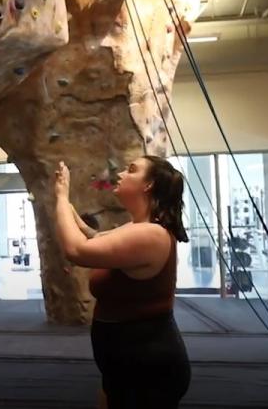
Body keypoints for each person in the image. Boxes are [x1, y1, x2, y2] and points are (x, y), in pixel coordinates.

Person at [54, 156, 191, 409]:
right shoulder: (137, 227)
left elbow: (76, 250)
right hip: (125, 363)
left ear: (148, 185)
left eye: (131, 170)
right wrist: (71, 210)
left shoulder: (151, 234)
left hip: (148, 367)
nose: (120, 175)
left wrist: (61, 197)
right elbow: (95, 237)